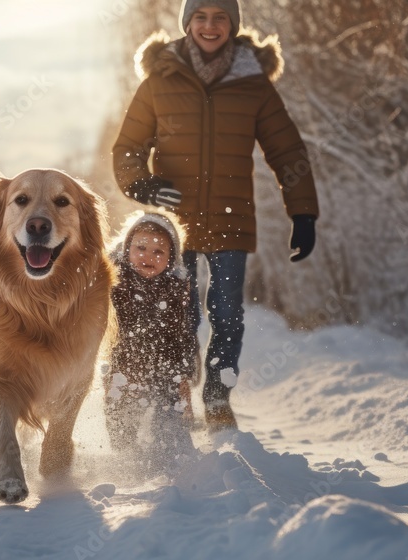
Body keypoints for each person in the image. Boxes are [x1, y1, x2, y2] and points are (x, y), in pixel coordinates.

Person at [112, 0, 320, 432]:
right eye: (201, 17)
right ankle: (178, 390)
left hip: (232, 220)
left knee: (227, 315)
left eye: (220, 17)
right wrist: (143, 185)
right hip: (174, 227)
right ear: (188, 23)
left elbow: (287, 151)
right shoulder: (160, 78)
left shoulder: (253, 83)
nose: (210, 26)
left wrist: (303, 213)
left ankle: (219, 398)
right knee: (178, 315)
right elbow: (128, 146)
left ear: (233, 25)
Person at [103, 211, 199, 470]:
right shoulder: (115, 280)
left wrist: (183, 381)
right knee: (119, 411)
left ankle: (171, 454)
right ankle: (125, 456)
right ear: (127, 249)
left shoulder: (175, 288)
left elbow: (182, 338)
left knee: (168, 418)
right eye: (141, 248)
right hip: (122, 364)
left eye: (159, 252)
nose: (148, 256)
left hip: (164, 366)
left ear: (171, 258)